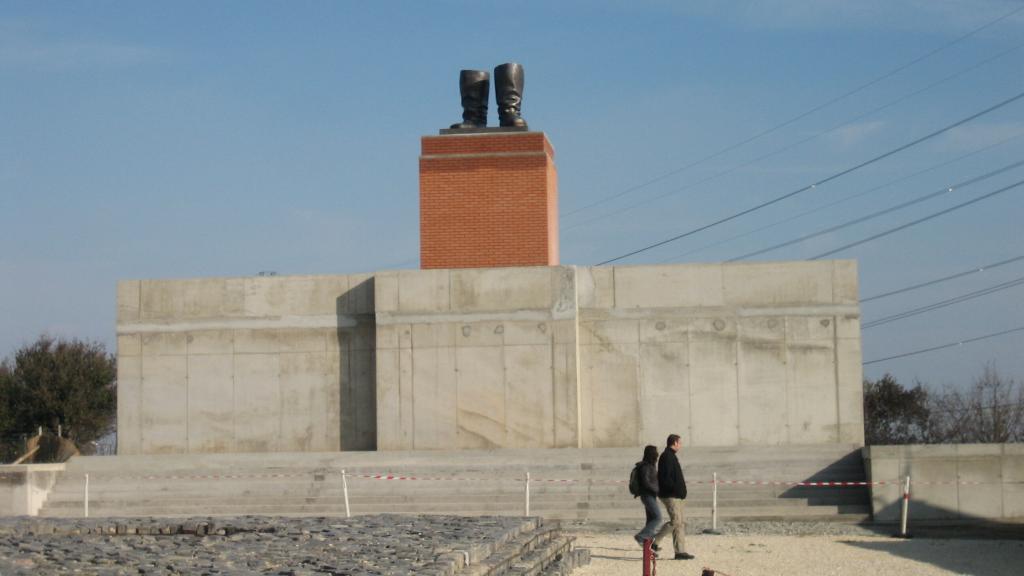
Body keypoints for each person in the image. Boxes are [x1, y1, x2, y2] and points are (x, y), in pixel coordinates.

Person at [654, 433, 695, 560]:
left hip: (677, 496)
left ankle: (680, 552)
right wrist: (676, 490)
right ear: (675, 443)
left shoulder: (671, 456)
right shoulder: (666, 456)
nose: (681, 445)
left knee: (680, 523)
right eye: (680, 443)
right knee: (675, 521)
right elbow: (665, 478)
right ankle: (654, 542)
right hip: (670, 495)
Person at [633, 445, 662, 549]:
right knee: (658, 517)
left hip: (651, 495)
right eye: (656, 452)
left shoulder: (651, 465)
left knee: (651, 520)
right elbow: (646, 482)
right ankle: (641, 536)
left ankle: (649, 545)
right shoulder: (645, 466)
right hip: (647, 495)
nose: (657, 454)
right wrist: (657, 490)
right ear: (651, 454)